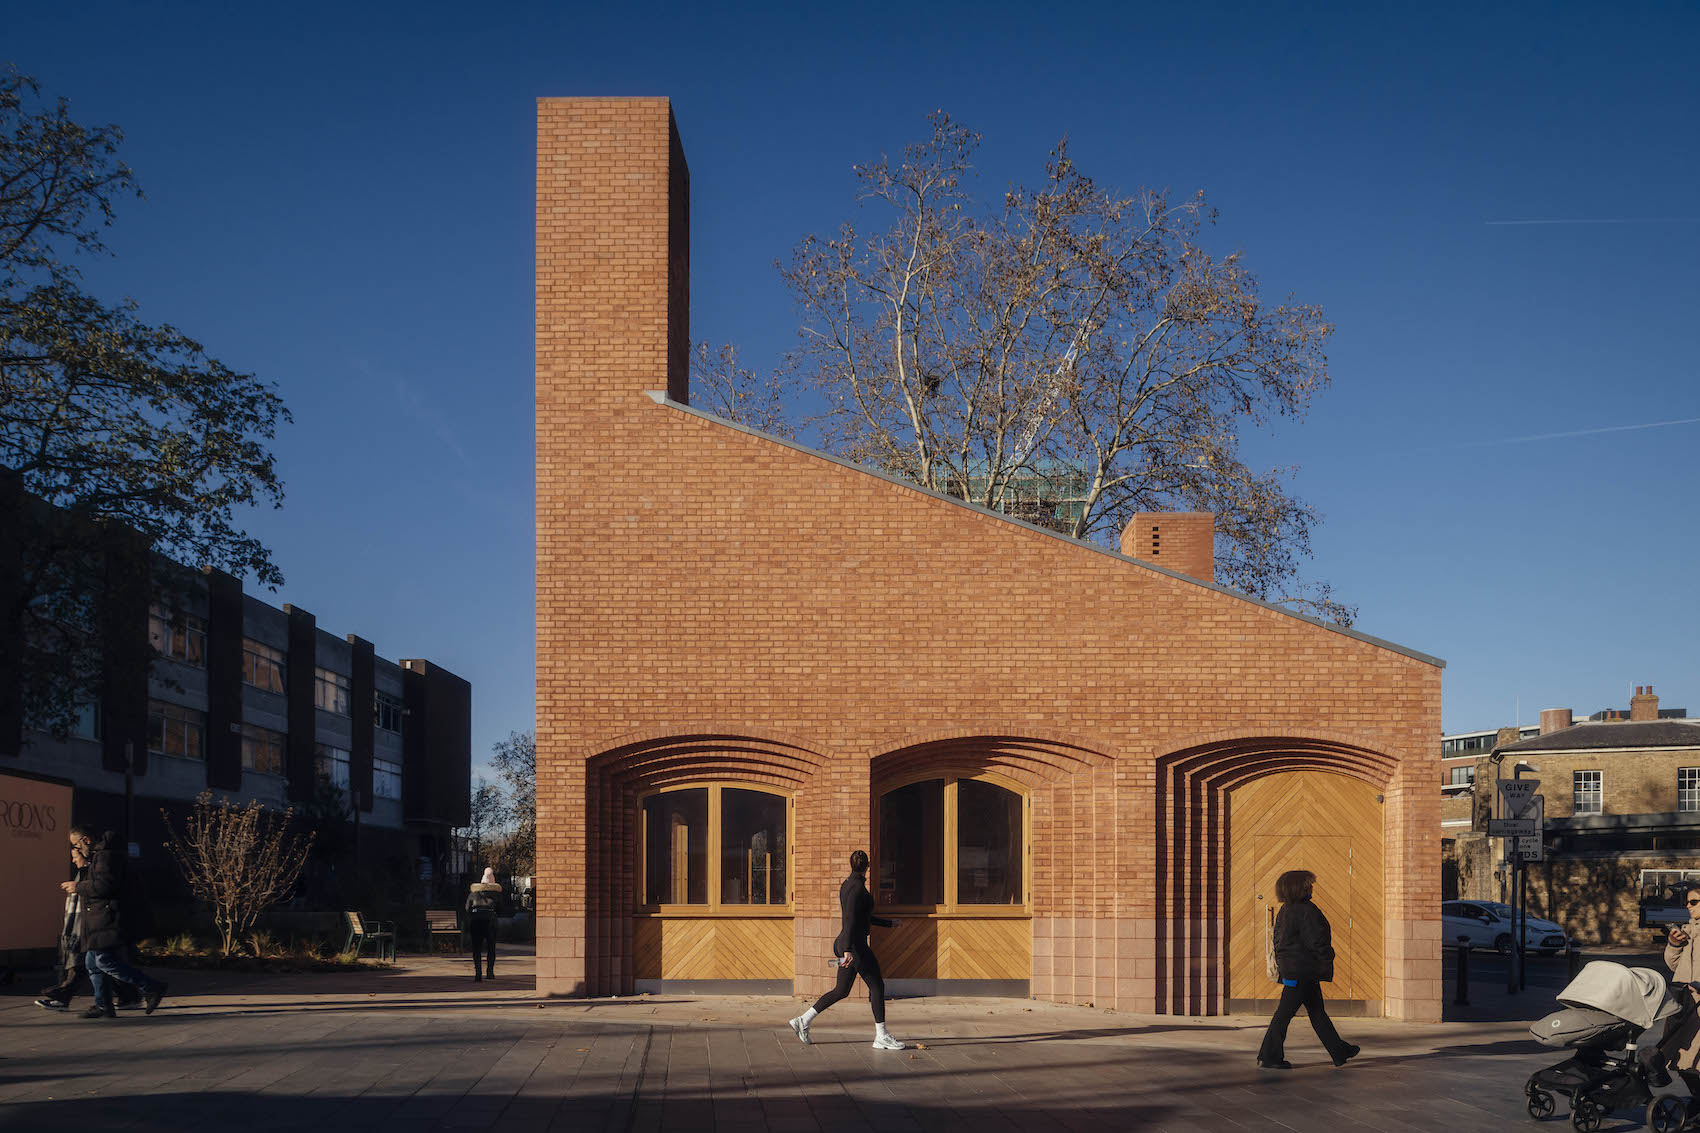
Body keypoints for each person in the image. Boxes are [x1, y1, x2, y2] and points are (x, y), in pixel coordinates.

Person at [788, 849, 907, 1050]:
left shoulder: (849, 885)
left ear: (852, 865)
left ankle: (803, 1020)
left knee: (841, 990)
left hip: (851, 945)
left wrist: (888, 924)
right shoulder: (857, 889)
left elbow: (860, 918)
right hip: (855, 946)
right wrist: (848, 950)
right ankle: (882, 1036)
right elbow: (850, 920)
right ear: (867, 867)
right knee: (877, 985)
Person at [1256, 868, 1360, 1070]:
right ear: (1299, 887)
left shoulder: (1286, 910)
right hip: (1303, 971)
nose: (1311, 887)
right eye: (1308, 884)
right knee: (1284, 1015)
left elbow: (1280, 941)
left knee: (1317, 1012)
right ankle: (1269, 1056)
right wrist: (1327, 957)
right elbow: (1317, 941)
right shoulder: (1306, 910)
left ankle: (1339, 1051)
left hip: (1295, 970)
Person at [63, 825, 167, 1020]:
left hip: (108, 918)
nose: (76, 850)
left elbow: (104, 885)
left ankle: (152, 987)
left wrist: (78, 886)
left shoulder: (106, 856)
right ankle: (103, 1006)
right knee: (92, 962)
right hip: (100, 919)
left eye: (76, 844)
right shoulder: (102, 855)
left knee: (103, 960)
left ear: (86, 840)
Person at [36, 840, 140, 1012]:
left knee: (85, 964)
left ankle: (67, 998)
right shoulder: (85, 874)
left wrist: (77, 888)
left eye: (75, 857)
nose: (73, 861)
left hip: (88, 927)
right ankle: (127, 997)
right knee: (97, 965)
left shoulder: (90, 875)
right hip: (87, 928)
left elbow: (93, 899)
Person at [1652, 886, 1700, 1107]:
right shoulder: (1687, 930)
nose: (1688, 906)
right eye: (1687, 902)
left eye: (1694, 902)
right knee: (1679, 1057)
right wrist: (1674, 944)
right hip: (1683, 1002)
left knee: (1695, 1060)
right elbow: (1673, 965)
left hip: (1698, 1005)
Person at [465, 866, 503, 981]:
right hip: (490, 922)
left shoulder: (473, 894)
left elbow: (467, 908)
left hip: (476, 922)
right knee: (491, 948)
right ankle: (490, 972)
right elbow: (501, 909)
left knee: (476, 948)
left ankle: (478, 974)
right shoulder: (496, 895)